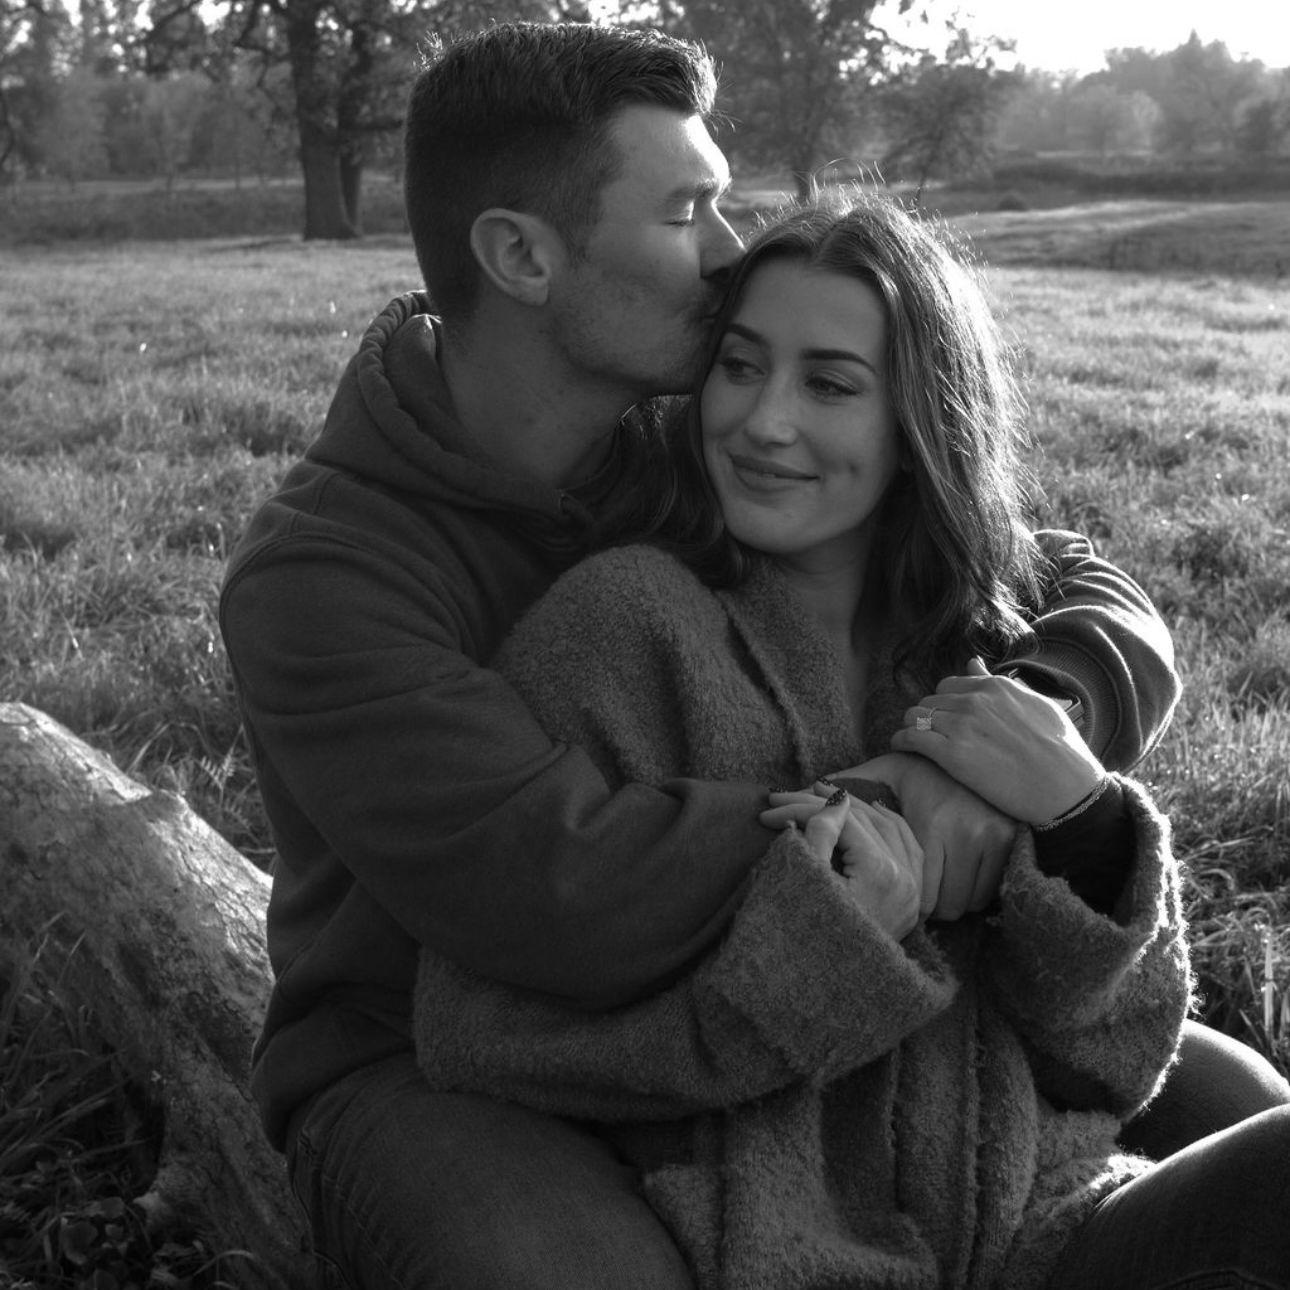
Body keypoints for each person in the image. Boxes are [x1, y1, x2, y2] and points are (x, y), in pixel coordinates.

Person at [217, 20, 1286, 1288]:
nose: (730, 250)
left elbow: (1049, 575)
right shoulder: (326, 575)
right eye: (686, 211)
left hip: (856, 992)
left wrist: (1021, 728)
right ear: (521, 256)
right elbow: (556, 885)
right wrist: (895, 805)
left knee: (1237, 1098)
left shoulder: (693, 443)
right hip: (433, 1055)